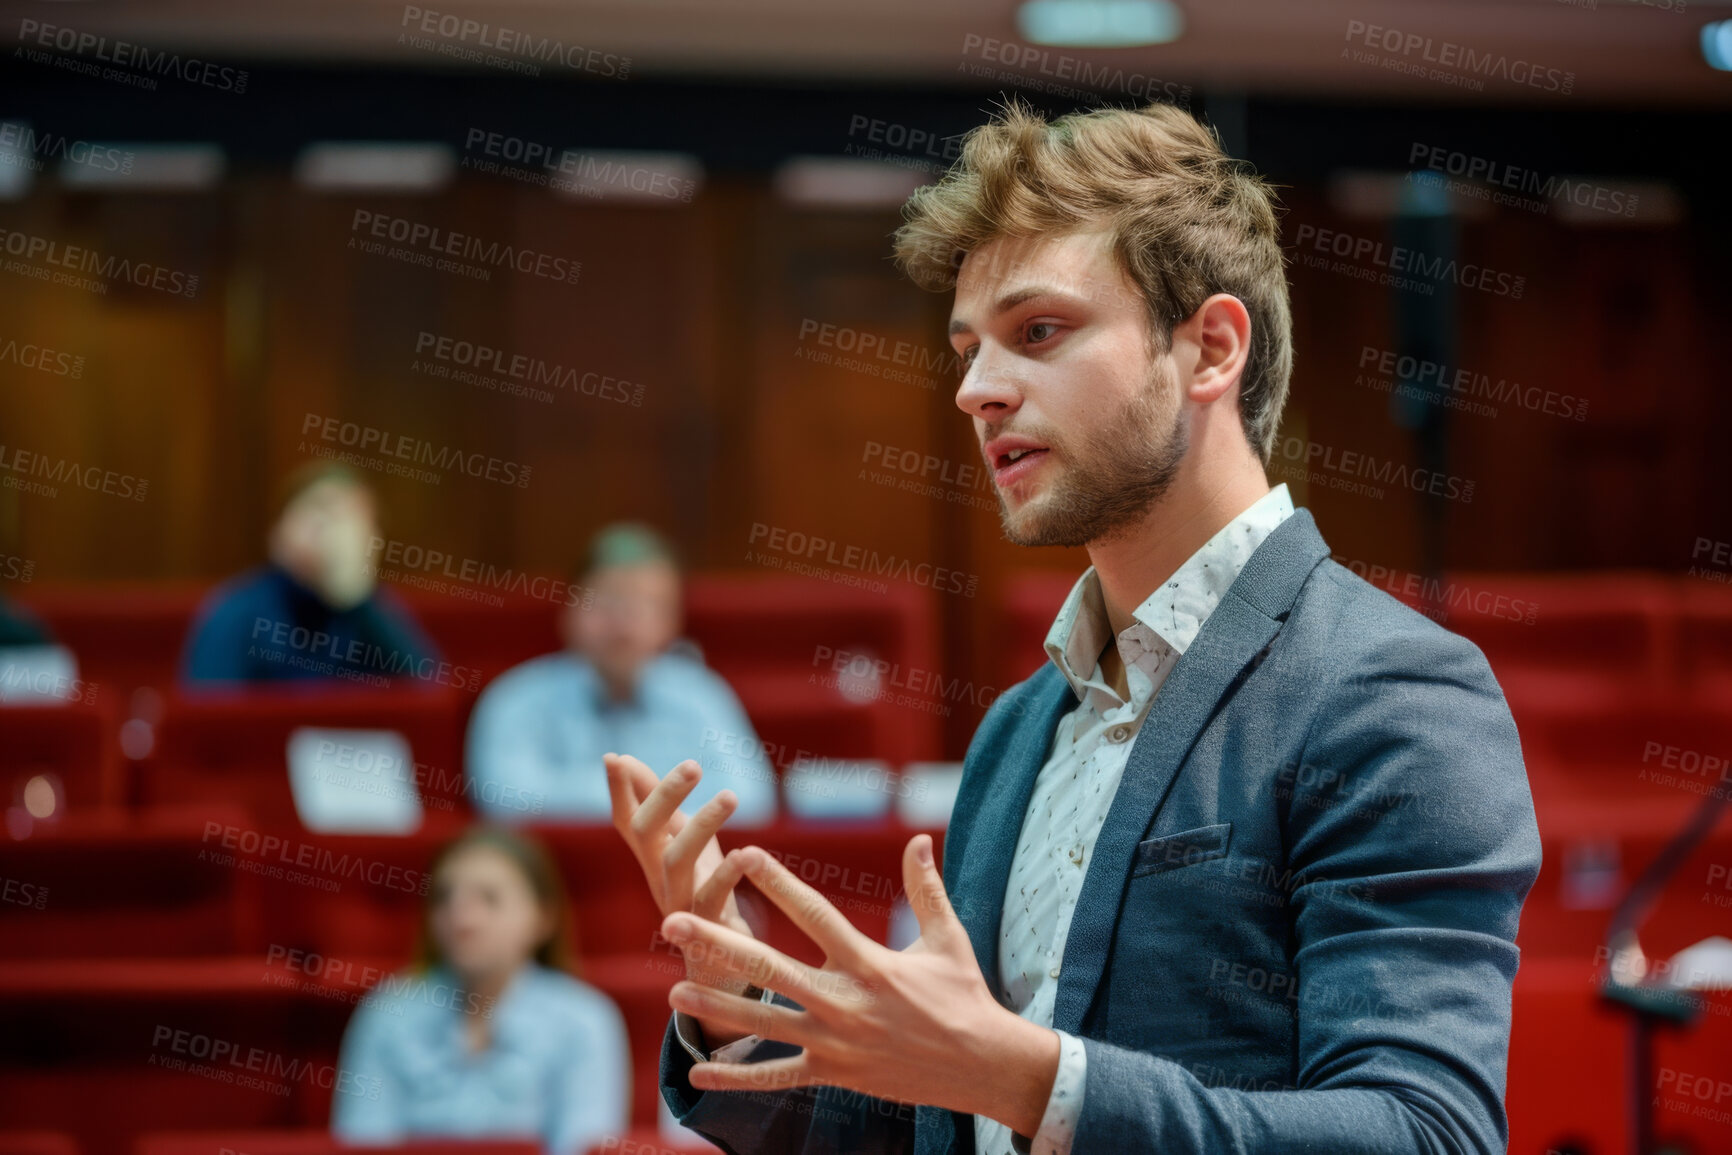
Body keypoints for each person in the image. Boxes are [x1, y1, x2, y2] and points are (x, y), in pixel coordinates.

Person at [611, 98, 1542, 1154]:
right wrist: (744, 1019)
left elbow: (1425, 1133)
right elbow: (943, 1123)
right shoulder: (1018, 727)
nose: (973, 389)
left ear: (1208, 350)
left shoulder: (1389, 687)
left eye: (1037, 331)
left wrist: (1037, 1082)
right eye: (967, 348)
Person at [332, 825, 631, 1154]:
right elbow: (364, 1142)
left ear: (542, 917)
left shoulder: (585, 1019)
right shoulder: (387, 1011)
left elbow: (581, 1146)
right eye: (445, 898)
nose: (462, 919)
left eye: (489, 899)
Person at [465, 522, 777, 825]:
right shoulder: (515, 697)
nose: (624, 625)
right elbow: (503, 800)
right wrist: (647, 805)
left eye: (647, 605)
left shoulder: (702, 695)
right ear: (569, 611)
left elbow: (751, 801)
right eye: (608, 602)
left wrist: (640, 812)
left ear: (673, 621)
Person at [179, 462, 442, 687]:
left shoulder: (373, 613)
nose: (338, 532)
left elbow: (429, 695)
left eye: (355, 518)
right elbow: (207, 721)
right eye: (321, 512)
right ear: (278, 533)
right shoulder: (237, 613)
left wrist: (358, 599)